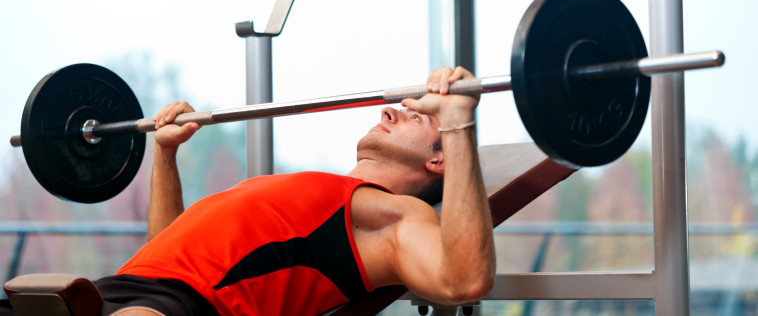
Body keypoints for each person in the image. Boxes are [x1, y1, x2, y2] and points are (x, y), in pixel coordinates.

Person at [2, 66, 495, 316]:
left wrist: (457, 121)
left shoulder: (392, 215)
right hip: (119, 288)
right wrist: (166, 156)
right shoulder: (298, 186)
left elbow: (463, 281)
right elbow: (163, 250)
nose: (388, 110)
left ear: (439, 157)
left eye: (414, 115)